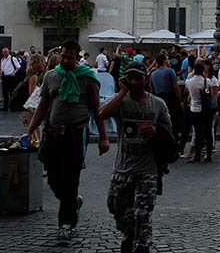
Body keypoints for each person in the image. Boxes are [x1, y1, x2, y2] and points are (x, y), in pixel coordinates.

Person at [24, 40, 110, 244]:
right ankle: (72, 203)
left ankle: (66, 224)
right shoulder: (52, 76)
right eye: (63, 56)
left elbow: (97, 109)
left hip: (76, 133)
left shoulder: (87, 79)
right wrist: (30, 130)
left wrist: (104, 138)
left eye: (70, 58)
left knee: (71, 178)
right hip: (53, 133)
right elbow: (43, 105)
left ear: (77, 58)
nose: (66, 60)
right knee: (53, 177)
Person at [95, 65, 173, 253]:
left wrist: (156, 132)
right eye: (131, 78)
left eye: (138, 78)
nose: (135, 82)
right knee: (118, 210)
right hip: (122, 169)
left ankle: (142, 247)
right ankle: (129, 236)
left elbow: (170, 134)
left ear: (145, 79)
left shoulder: (158, 104)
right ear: (126, 79)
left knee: (142, 215)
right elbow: (101, 114)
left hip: (147, 171)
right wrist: (122, 92)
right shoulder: (121, 101)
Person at [184, 61, 219, 163]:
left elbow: (186, 93)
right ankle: (208, 155)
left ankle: (197, 155)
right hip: (206, 110)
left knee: (197, 132)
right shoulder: (207, 81)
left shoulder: (189, 82)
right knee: (208, 132)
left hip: (195, 109)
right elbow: (212, 96)